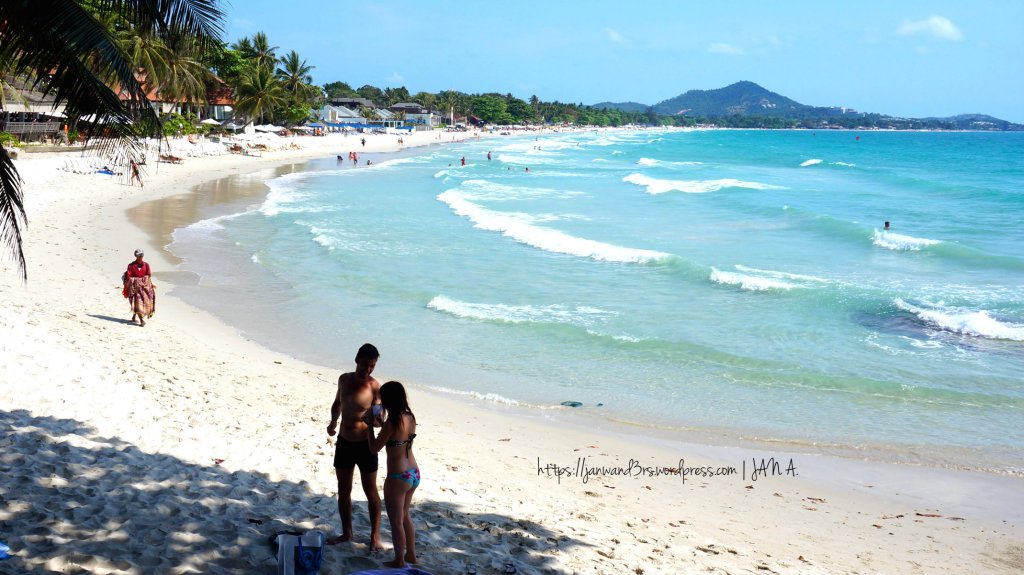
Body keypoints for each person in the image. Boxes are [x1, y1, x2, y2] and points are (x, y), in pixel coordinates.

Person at [326, 343, 384, 549]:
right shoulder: (344, 379)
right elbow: (337, 403)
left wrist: (374, 420)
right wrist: (333, 422)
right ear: (356, 360)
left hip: (365, 446)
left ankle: (375, 536)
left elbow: (380, 420)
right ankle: (347, 533)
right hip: (344, 443)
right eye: (365, 364)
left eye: (372, 366)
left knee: (371, 491)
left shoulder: (375, 387)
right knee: (344, 489)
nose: (367, 369)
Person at [367, 381, 419, 568]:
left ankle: (399, 560)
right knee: (405, 516)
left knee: (396, 521)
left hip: (398, 476)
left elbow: (374, 448)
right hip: (413, 472)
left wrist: (369, 427)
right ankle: (411, 555)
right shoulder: (409, 416)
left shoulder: (392, 421)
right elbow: (398, 437)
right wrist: (382, 426)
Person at [122, 249, 155, 326]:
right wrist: (128, 286)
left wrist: (143, 281)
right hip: (134, 288)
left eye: (141, 255)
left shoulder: (146, 265)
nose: (140, 257)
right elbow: (129, 276)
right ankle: (141, 321)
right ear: (136, 256)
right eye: (139, 255)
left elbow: (148, 275)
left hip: (144, 288)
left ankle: (134, 317)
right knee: (136, 303)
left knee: (141, 303)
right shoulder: (131, 266)